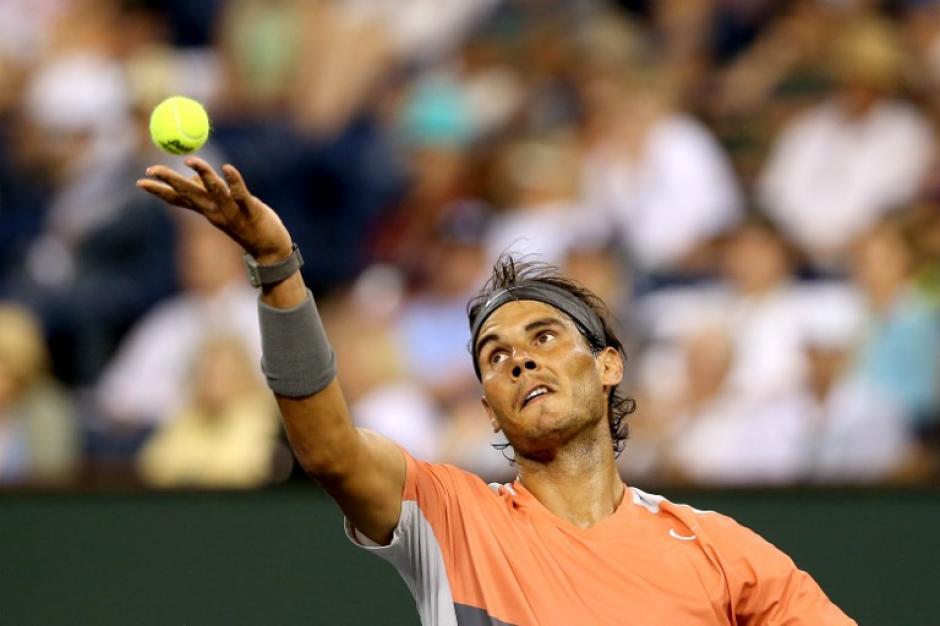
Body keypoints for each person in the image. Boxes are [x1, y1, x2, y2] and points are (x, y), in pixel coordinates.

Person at [138, 157, 857, 625]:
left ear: (609, 365)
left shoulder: (718, 550)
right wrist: (276, 266)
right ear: (488, 406)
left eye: (545, 338)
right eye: (494, 355)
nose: (517, 361)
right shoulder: (450, 518)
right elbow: (327, 450)